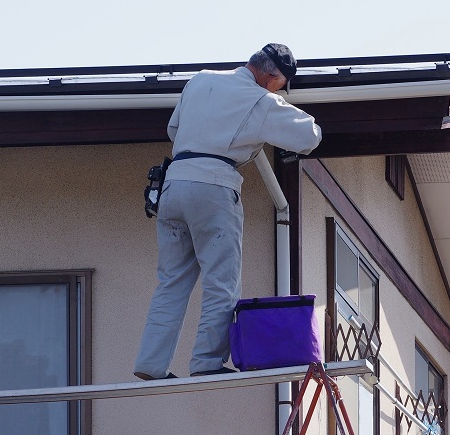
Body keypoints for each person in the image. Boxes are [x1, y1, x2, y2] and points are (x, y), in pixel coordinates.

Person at [134, 44, 323, 380]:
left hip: (173, 184)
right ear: (272, 76)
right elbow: (309, 136)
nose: (279, 89)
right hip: (214, 186)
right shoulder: (260, 99)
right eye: (281, 84)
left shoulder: (200, 80)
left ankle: (150, 364)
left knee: (171, 280)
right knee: (221, 282)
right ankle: (206, 362)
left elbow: (173, 130)